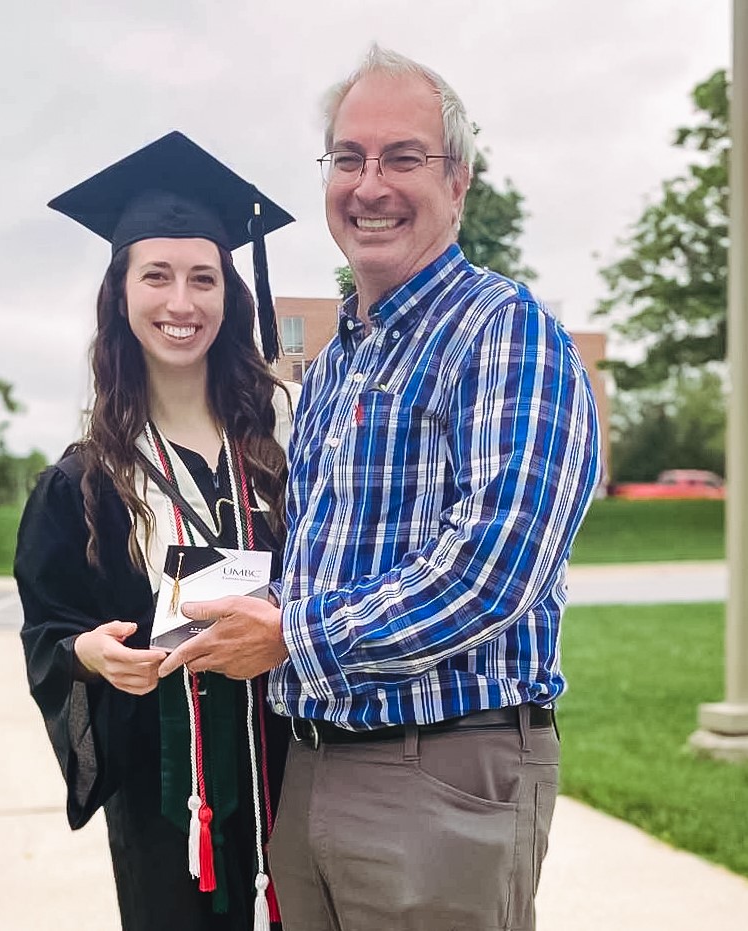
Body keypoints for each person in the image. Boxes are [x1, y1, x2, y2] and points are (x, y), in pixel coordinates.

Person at [158, 46, 602, 931]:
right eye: (348, 159)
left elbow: (492, 567)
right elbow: (318, 559)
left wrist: (290, 632)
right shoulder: (335, 367)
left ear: (459, 181)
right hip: (316, 765)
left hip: (442, 773)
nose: (370, 185)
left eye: (403, 158)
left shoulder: (504, 333)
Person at [15, 131, 297, 931]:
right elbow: (49, 632)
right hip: (165, 801)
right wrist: (89, 656)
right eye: (158, 276)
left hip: (303, 774)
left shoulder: (288, 443)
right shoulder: (83, 483)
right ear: (121, 292)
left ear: (230, 294)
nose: (183, 302)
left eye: (203, 277)